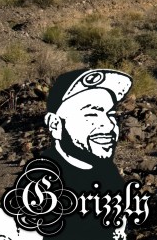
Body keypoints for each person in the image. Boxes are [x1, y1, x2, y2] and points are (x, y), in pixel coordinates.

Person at [39, 68, 133, 240]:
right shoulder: (44, 185)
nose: (108, 125)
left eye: (111, 114)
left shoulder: (107, 172)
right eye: (92, 114)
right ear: (55, 124)